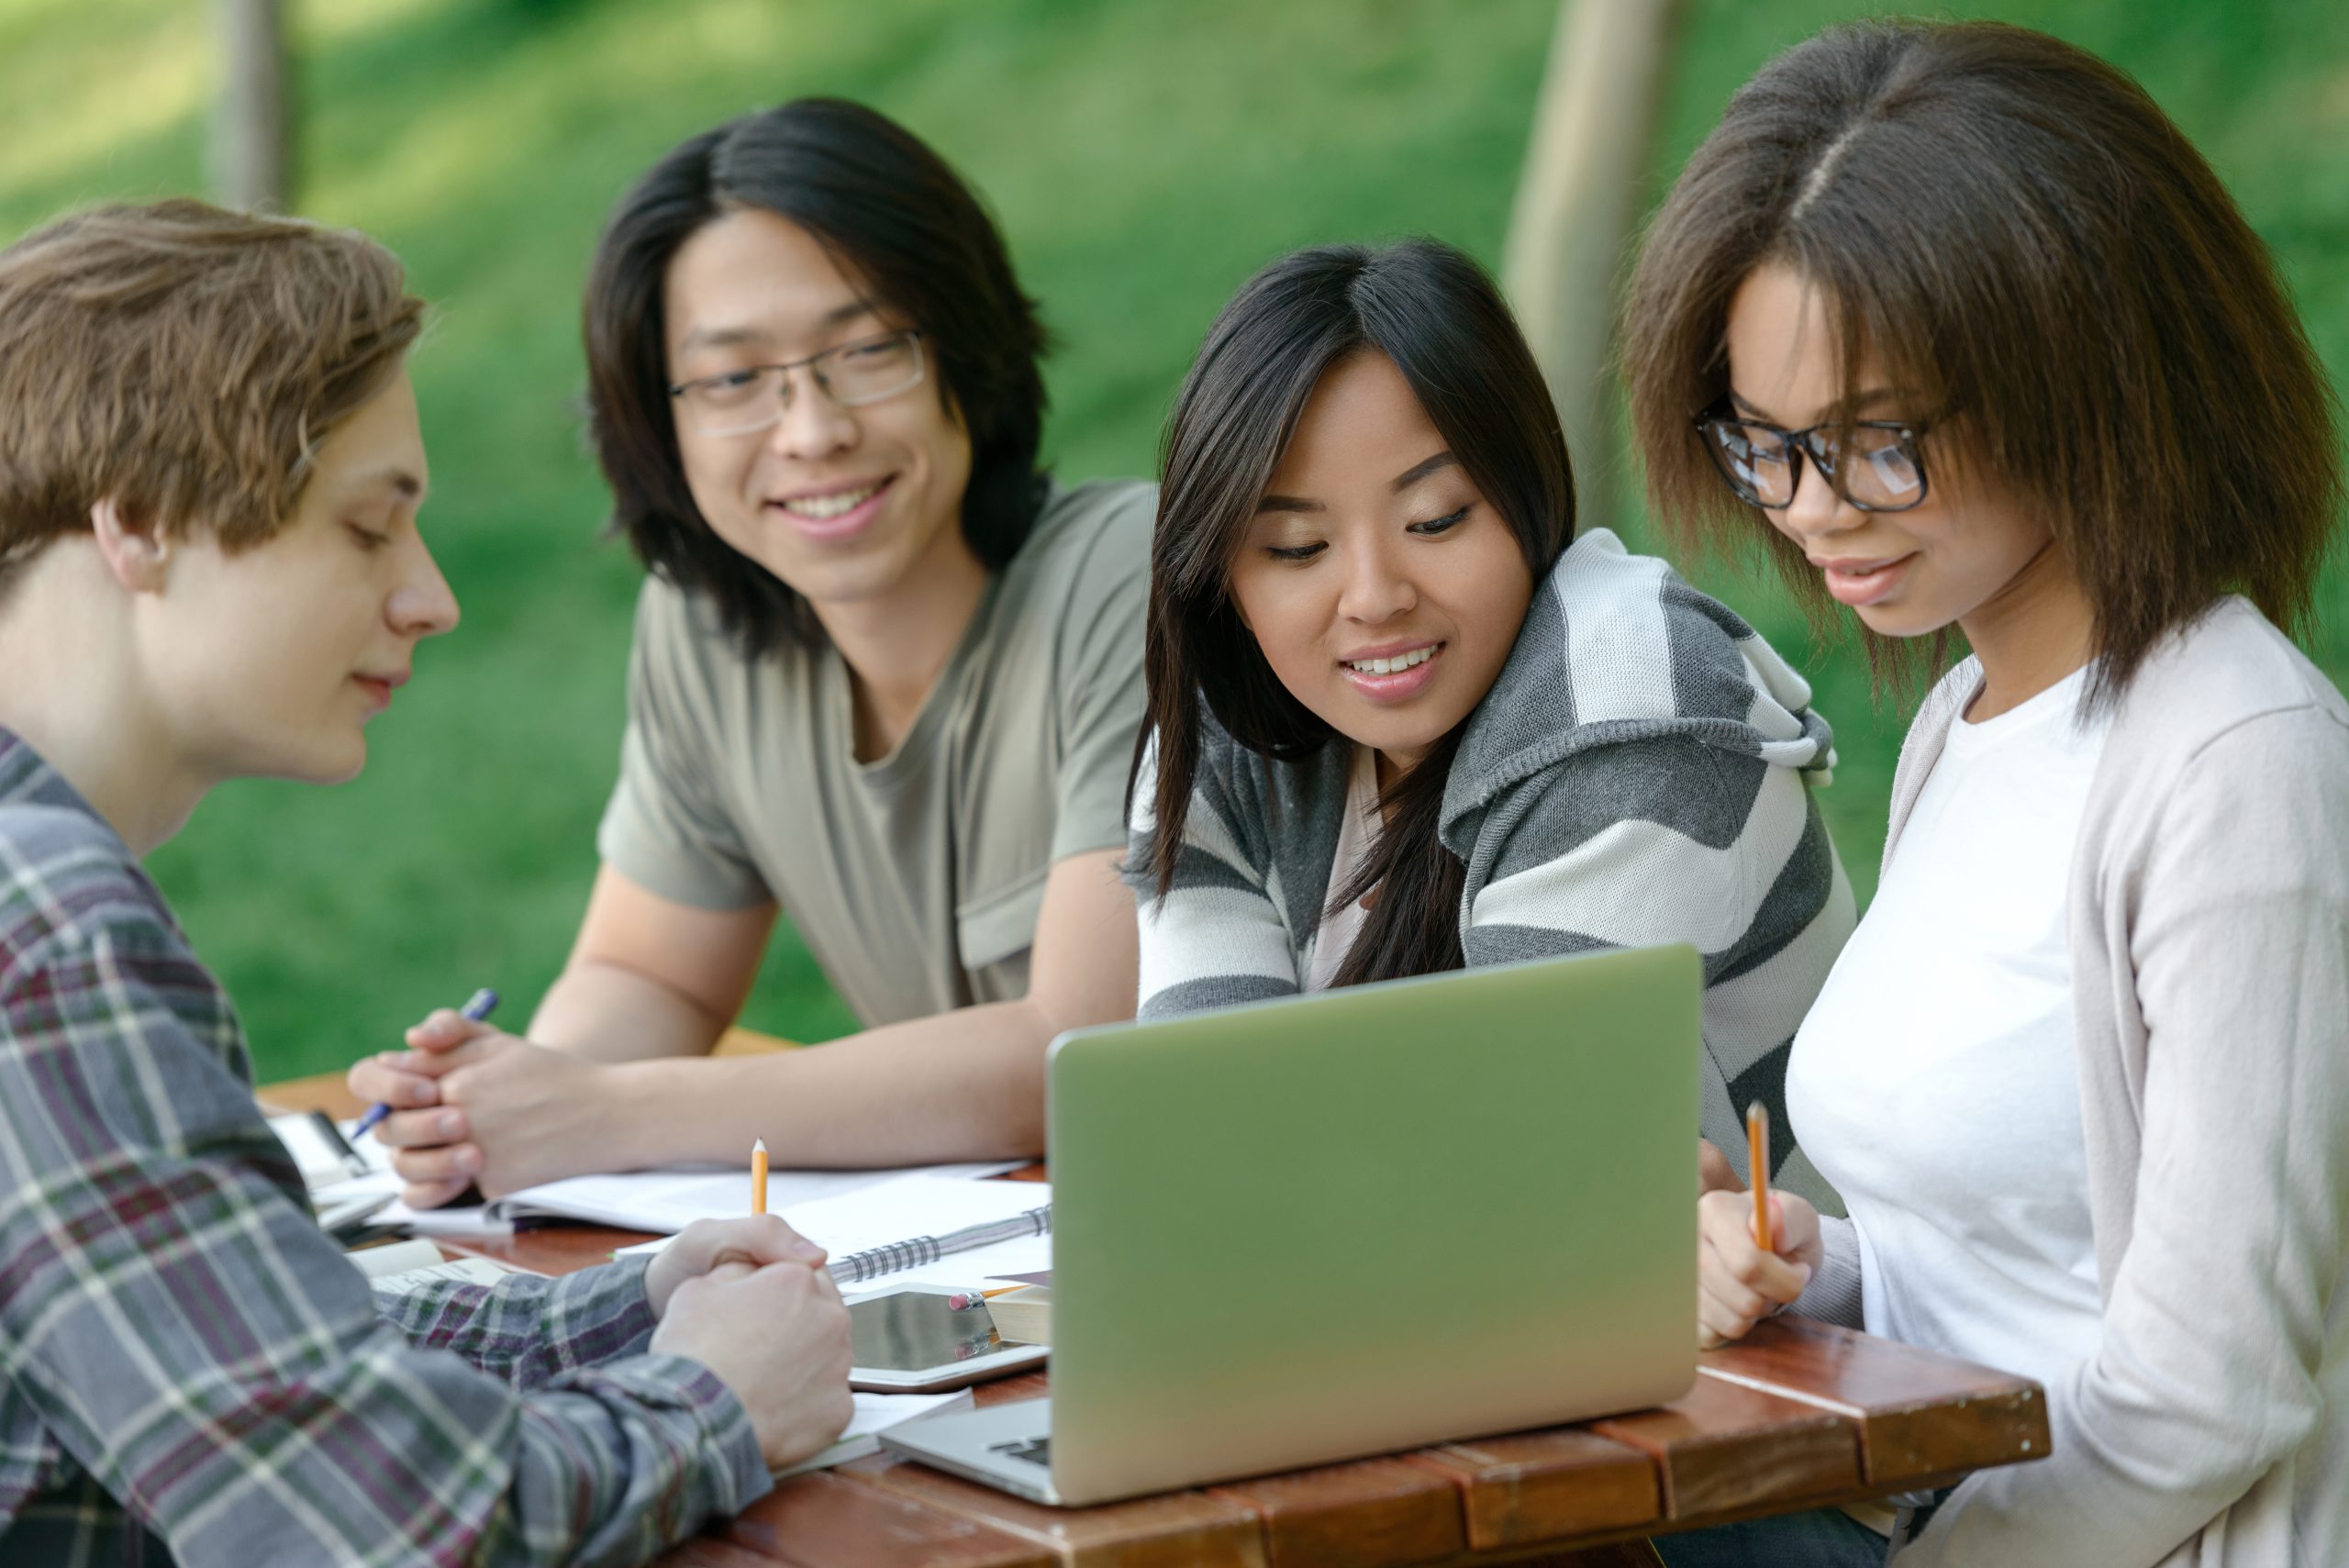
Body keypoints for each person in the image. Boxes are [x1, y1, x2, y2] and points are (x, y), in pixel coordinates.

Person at [0, 200, 852, 1565]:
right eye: (367, 526)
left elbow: (218, 1340)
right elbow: (371, 1528)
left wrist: (625, 1315)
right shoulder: (42, 923)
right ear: (143, 525)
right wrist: (719, 1400)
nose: (435, 598)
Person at [1623, 20, 2349, 1566]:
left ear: (2087, 369)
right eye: (1769, 447)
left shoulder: (2237, 761)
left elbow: (2208, 1394)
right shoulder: (1966, 715)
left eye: (1884, 443)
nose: (1814, 513)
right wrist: (1811, 1261)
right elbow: (2012, 1256)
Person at [351, 99, 1151, 1208]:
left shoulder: (1132, 581)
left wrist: (607, 1114)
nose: (812, 429)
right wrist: (501, 1099)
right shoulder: (706, 633)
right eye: (734, 379)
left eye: (868, 350)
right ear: (657, 422)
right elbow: (649, 972)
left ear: (966, 350)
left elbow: (1081, 1050)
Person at [1130, 238, 1854, 1189]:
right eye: (1298, 546)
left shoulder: (1626, 698)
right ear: (1223, 575)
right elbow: (1208, 1138)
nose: (1374, 595)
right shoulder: (1226, 740)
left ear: (1524, 494)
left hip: (1786, 1329)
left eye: (1433, 520)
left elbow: (1516, 1182)